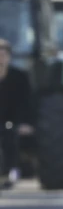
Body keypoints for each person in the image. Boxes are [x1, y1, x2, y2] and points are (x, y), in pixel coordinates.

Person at [0, 39, 34, 187]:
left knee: (10, 138)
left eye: (3, 55)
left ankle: (10, 172)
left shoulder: (20, 77)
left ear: (9, 57)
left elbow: (27, 102)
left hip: (13, 122)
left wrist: (27, 123)